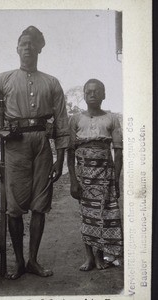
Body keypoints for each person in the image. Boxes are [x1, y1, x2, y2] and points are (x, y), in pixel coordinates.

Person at [0, 26, 70, 279]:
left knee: (40, 206)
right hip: (14, 146)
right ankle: (19, 262)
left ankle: (33, 260)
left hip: (42, 145)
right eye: (23, 44)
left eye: (32, 44)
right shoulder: (2, 80)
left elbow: (62, 121)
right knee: (14, 208)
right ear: (17, 48)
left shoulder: (52, 82)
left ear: (40, 48)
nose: (28, 47)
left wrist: (60, 158)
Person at [67, 79, 123, 271]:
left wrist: (116, 179)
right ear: (83, 95)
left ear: (104, 95)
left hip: (105, 176)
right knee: (87, 216)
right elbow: (70, 152)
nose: (93, 94)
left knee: (104, 215)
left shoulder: (112, 118)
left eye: (97, 91)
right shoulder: (75, 119)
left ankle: (100, 257)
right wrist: (73, 181)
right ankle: (89, 258)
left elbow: (118, 151)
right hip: (84, 178)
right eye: (89, 91)